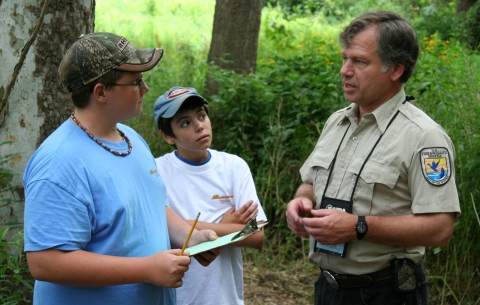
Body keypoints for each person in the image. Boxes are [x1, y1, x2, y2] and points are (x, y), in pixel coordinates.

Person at [23, 33, 220, 305]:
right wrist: (146, 269)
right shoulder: (59, 162)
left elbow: (152, 207)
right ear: (101, 92)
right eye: (137, 81)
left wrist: (192, 236)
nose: (146, 89)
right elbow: (45, 262)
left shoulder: (131, 139)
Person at [286, 11, 461, 305]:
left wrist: (358, 226)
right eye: (345, 58)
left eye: (360, 62)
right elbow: (309, 183)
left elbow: (441, 228)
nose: (344, 70)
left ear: (395, 69)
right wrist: (300, 202)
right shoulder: (337, 122)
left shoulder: (424, 137)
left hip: (386, 293)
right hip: (327, 288)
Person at [153, 86, 268, 305]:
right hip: (178, 296)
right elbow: (155, 232)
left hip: (224, 297)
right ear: (168, 136)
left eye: (202, 116)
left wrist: (187, 224)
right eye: (185, 123)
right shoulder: (156, 172)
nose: (199, 126)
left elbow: (256, 235)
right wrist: (229, 227)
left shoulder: (234, 166)